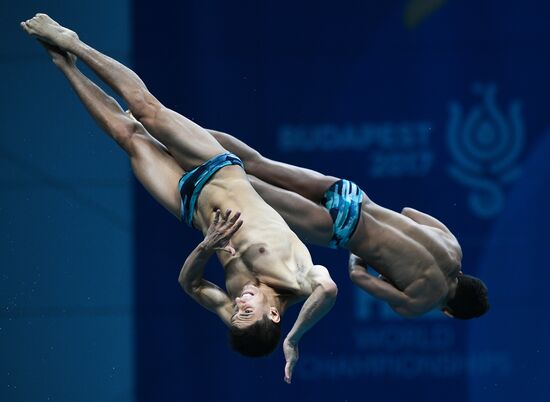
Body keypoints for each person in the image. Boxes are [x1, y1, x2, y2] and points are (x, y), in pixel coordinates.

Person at [21, 13, 337, 383]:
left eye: (236, 312)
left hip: (187, 204)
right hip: (218, 170)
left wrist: (206, 248)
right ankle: (73, 41)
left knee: (128, 138)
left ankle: (65, 64)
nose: (239, 304)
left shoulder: (232, 306)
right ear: (273, 315)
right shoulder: (300, 280)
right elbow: (329, 289)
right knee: (146, 111)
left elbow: (191, 285)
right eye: (246, 311)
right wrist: (294, 339)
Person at [208, 130, 490, 320]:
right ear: (450, 312)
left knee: (256, 162)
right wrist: (363, 253)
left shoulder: (452, 245)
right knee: (245, 186)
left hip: (354, 196)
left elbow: (408, 211)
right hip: (343, 228)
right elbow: (359, 277)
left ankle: (182, 128)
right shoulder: (421, 302)